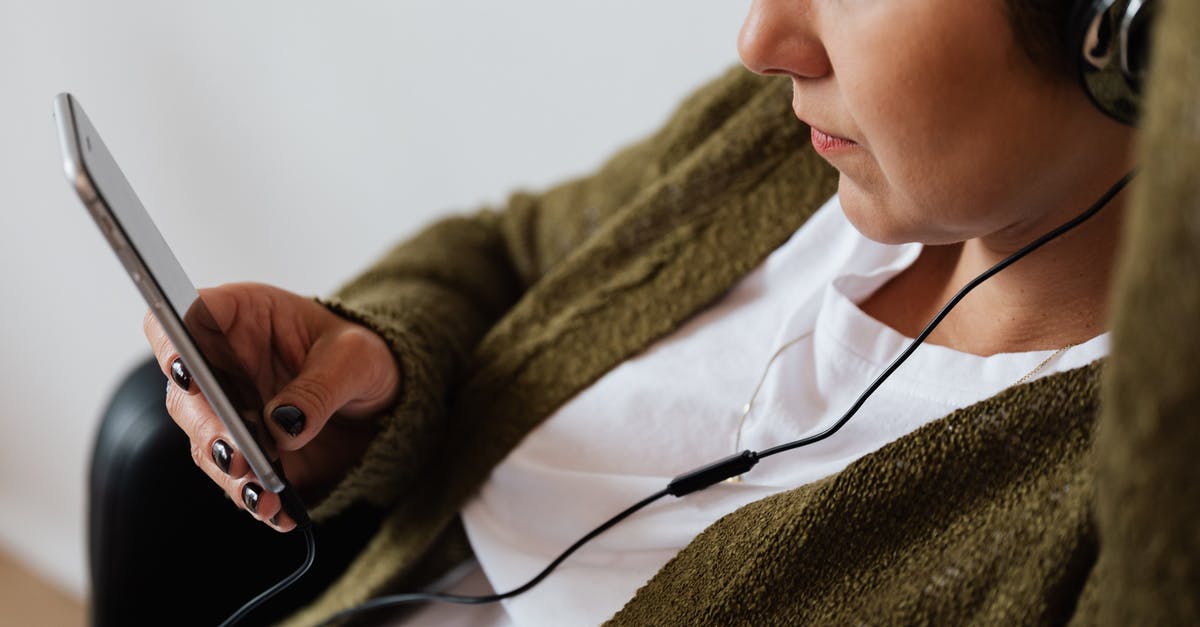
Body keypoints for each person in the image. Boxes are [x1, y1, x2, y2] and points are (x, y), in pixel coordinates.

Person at [139, 0, 1185, 624]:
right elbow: (510, 251)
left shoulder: (1143, 496)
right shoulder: (799, 143)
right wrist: (379, 370)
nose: (762, 38)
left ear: (1119, 35)